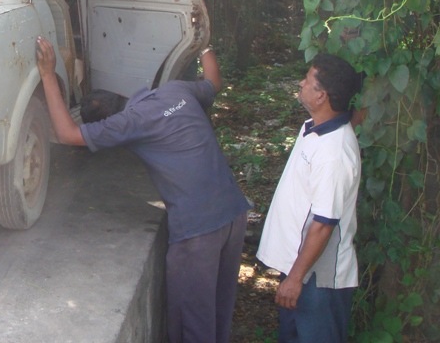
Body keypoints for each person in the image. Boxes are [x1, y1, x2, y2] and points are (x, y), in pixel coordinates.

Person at [35, 36, 251, 343]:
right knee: (216, 313)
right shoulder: (175, 90)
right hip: (233, 214)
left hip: (198, 231)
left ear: (110, 122)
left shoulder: (128, 123)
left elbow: (67, 133)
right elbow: (213, 81)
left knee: (193, 325)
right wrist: (203, 42)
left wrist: (47, 74)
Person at [256, 54, 364, 342]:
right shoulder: (317, 127)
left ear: (322, 96)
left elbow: (323, 224)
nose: (301, 83)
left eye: (308, 79)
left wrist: (294, 279)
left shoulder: (333, 153)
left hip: (318, 279)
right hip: (301, 270)